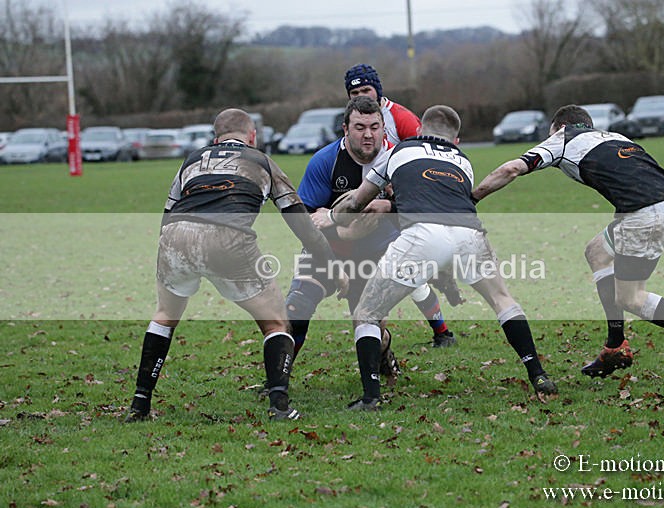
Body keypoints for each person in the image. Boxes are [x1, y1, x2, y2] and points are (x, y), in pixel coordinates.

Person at [472, 105, 664, 380]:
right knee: (597, 251)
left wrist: (472, 199)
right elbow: (650, 176)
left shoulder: (562, 138)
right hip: (662, 205)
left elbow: (512, 169)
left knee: (631, 298)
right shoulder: (616, 137)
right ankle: (615, 345)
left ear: (559, 127)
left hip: (644, 215)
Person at [327, 104, 558, 411]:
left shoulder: (398, 151)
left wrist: (332, 217)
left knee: (367, 313)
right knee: (503, 300)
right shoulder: (464, 162)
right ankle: (538, 374)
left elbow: (359, 200)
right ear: (457, 140)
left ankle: (371, 397)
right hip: (470, 234)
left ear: (420, 129)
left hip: (422, 234)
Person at [124, 108, 346, 423]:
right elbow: (299, 220)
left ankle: (140, 404)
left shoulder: (191, 160)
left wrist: (167, 253)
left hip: (176, 236)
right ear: (252, 136)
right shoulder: (260, 160)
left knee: (165, 316)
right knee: (277, 322)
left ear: (216, 138)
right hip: (228, 239)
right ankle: (279, 407)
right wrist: (330, 263)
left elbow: (168, 213)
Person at [284, 97, 456, 390]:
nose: (368, 134)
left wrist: (386, 207)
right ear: (345, 129)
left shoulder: (402, 161)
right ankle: (279, 380)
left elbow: (423, 210)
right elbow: (307, 220)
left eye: (375, 127)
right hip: (327, 250)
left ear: (383, 129)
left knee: (369, 327)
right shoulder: (325, 161)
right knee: (296, 309)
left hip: (379, 253)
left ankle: (384, 353)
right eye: (360, 127)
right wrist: (337, 239)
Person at [344, 63, 421, 145]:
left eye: (366, 90)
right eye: (355, 93)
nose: (361, 96)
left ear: (377, 91)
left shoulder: (403, 118)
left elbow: (420, 151)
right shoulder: (350, 119)